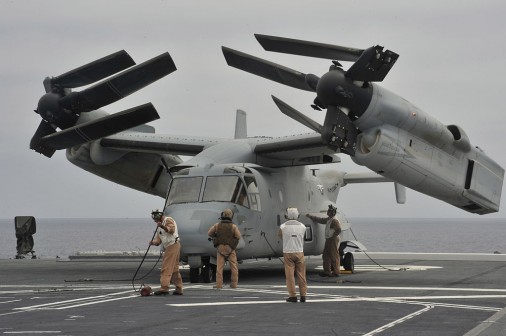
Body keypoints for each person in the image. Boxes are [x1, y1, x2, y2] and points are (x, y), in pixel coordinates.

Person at [149, 210, 184, 295]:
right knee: (175, 269)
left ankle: (164, 288)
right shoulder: (159, 227)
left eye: (156, 219)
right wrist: (152, 242)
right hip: (172, 246)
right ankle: (179, 289)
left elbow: (171, 230)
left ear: (159, 217)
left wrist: (162, 226)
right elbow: (158, 241)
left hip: (172, 245)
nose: (155, 221)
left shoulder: (168, 220)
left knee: (166, 267)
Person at [278, 207, 307, 303]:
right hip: (299, 252)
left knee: (290, 276)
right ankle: (303, 295)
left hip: (288, 252)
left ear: (287, 216)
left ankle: (293, 296)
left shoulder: (283, 226)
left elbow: (279, 235)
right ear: (297, 215)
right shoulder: (303, 226)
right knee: (301, 275)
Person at [207, 209, 242, 289]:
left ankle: (219, 285)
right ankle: (234, 284)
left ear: (223, 215)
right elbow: (238, 236)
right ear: (231, 216)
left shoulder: (217, 225)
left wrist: (216, 237)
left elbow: (209, 233)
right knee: (234, 267)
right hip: (230, 249)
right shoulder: (233, 226)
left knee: (219, 268)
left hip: (220, 249)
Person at [306, 204, 342, 277]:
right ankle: (327, 271)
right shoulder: (329, 219)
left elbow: (338, 229)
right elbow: (321, 220)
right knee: (326, 255)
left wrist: (333, 236)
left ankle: (336, 272)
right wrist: (311, 217)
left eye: (329, 211)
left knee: (334, 255)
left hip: (332, 239)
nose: (328, 212)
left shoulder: (334, 220)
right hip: (329, 239)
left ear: (332, 213)